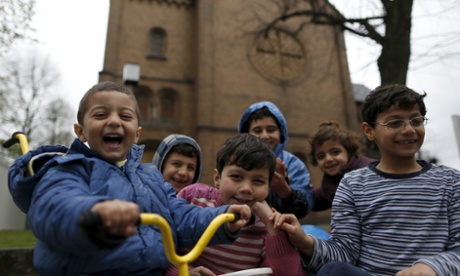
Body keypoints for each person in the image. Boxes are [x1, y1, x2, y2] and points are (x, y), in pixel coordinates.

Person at [8, 81, 252, 275]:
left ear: (136, 134)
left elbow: (180, 215)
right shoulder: (68, 169)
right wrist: (95, 215)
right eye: (101, 115)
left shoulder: (150, 177)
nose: (114, 121)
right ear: (80, 131)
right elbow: (55, 206)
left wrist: (222, 218)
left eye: (125, 117)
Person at [272, 84, 460, 275]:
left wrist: (432, 267)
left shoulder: (451, 181)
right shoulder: (352, 184)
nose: (409, 129)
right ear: (369, 131)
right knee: (333, 270)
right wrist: (304, 241)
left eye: (416, 121)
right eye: (394, 123)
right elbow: (344, 252)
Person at [164, 133, 306, 276]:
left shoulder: (265, 225)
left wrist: (273, 228)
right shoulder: (193, 197)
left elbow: (289, 273)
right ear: (217, 178)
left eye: (258, 181)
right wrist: (182, 273)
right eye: (236, 177)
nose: (246, 188)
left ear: (268, 185)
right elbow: (159, 249)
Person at [238, 101, 313, 218]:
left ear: (281, 133)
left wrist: (284, 190)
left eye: (271, 130)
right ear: (246, 134)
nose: (264, 136)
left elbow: (304, 207)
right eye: (257, 131)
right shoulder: (237, 161)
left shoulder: (293, 164)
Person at [309, 121, 376, 211]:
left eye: (335, 152)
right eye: (321, 156)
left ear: (349, 151)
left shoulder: (370, 171)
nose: (328, 159)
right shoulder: (331, 180)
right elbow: (318, 200)